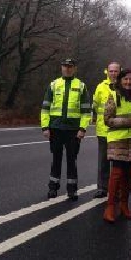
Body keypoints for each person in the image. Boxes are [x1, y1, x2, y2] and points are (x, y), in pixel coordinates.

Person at [41, 58, 92, 200]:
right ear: (61, 68)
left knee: (72, 160)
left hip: (73, 130)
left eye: (70, 66)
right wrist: (45, 127)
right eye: (65, 66)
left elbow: (86, 110)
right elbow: (45, 107)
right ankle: (53, 188)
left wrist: (83, 128)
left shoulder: (81, 86)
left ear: (74, 68)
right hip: (56, 128)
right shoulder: (54, 84)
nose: (67, 69)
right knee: (56, 159)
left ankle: (72, 189)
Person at [102, 69, 131, 222]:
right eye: (125, 79)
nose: (128, 82)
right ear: (120, 80)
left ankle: (124, 205)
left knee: (128, 175)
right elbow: (107, 120)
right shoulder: (113, 96)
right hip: (118, 141)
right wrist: (129, 122)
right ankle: (110, 207)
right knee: (116, 174)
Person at [92, 62, 121, 198]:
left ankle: (116, 189)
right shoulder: (100, 87)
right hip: (103, 131)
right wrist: (94, 119)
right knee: (103, 162)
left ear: (119, 72)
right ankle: (102, 188)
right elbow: (95, 105)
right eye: (111, 71)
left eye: (116, 71)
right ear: (107, 72)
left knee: (118, 163)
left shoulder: (124, 87)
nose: (113, 73)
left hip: (119, 131)